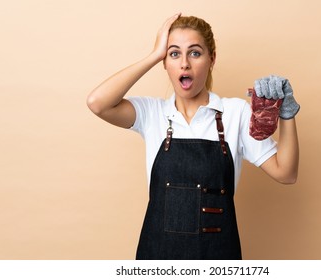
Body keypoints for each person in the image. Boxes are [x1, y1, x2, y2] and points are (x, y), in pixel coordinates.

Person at [86, 13, 299, 260]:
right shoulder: (152, 113)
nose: (184, 63)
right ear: (165, 63)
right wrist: (154, 54)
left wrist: (287, 114)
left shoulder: (234, 113)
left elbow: (286, 172)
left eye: (195, 53)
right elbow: (97, 103)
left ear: (211, 59)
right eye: (174, 53)